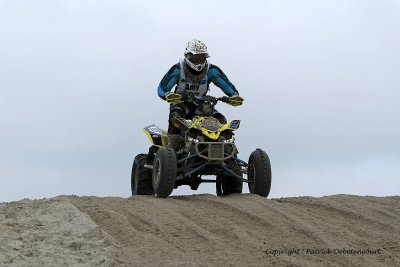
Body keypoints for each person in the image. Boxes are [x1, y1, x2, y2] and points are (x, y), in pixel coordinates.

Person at [157, 39, 243, 150]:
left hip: (202, 105)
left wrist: (234, 96)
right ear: (188, 56)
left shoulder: (211, 70)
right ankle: (171, 150)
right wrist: (167, 95)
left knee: (220, 119)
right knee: (176, 117)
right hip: (180, 103)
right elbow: (162, 88)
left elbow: (228, 85)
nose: (198, 61)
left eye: (201, 57)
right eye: (195, 57)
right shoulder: (178, 69)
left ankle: (227, 150)